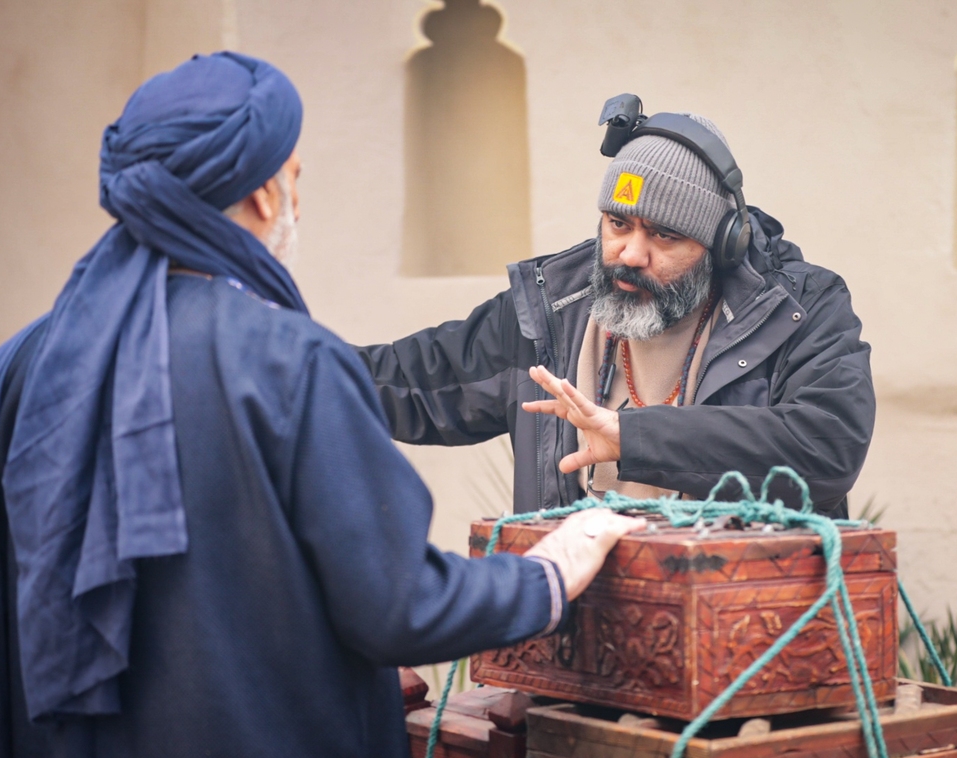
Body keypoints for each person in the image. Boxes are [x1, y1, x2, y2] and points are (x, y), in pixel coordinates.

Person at [0, 53, 642, 758]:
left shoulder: (22, 361)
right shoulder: (289, 362)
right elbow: (402, 606)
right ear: (266, 194)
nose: (297, 198)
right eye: (296, 177)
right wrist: (552, 571)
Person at [355, 97, 875, 517]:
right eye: (618, 224)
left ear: (721, 246)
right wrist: (289, 363)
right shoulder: (552, 307)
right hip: (579, 630)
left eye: (664, 235)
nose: (629, 254)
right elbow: (413, 382)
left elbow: (826, 447)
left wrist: (632, 437)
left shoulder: (800, 309)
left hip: (745, 627)